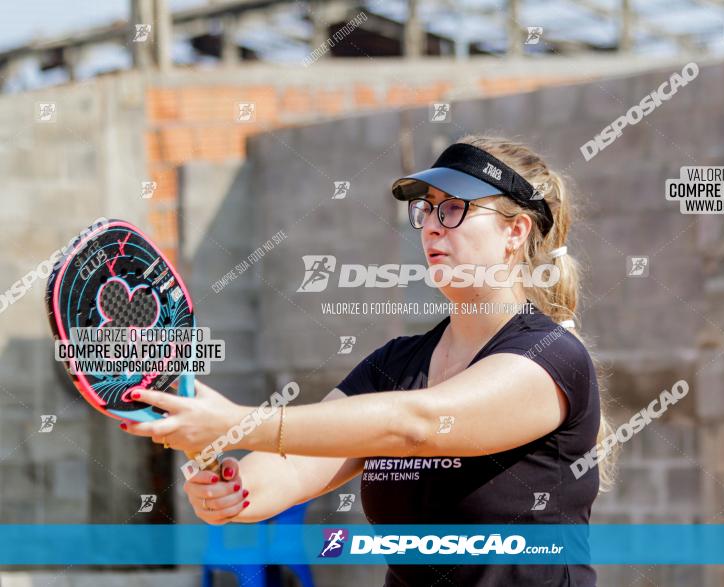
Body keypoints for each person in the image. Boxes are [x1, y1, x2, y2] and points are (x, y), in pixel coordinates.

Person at [121, 135, 618, 586]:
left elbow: (418, 425)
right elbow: (295, 468)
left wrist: (233, 422)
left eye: (454, 209)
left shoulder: (549, 356)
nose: (430, 227)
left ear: (516, 232)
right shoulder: (396, 364)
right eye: (426, 210)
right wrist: (228, 485)